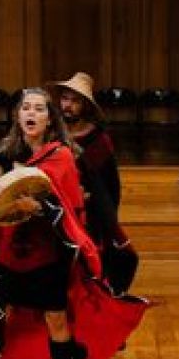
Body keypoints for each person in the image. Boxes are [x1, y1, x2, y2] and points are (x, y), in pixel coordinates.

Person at [0, 88, 147, 359]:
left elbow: (70, 207)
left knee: (56, 318)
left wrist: (40, 208)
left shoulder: (62, 156)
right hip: (7, 252)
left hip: (47, 253)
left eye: (38, 109)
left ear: (49, 119)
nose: (31, 113)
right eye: (26, 108)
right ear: (18, 116)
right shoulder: (4, 155)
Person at [49, 72, 138, 295]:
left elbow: (110, 188)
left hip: (89, 218)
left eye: (75, 101)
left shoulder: (99, 141)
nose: (68, 105)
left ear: (85, 106)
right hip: (55, 215)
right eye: (65, 99)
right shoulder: (51, 134)